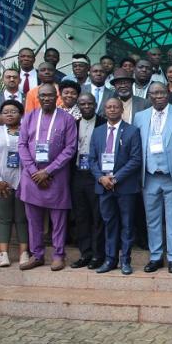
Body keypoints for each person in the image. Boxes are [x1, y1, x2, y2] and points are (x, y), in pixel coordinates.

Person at [17, 84, 78, 271]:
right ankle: (37, 255)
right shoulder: (29, 117)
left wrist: (48, 171)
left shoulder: (67, 119)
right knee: (33, 219)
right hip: (31, 176)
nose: (46, 99)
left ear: (56, 96)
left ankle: (59, 255)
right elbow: (22, 145)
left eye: (50, 95)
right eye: (42, 96)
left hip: (56, 176)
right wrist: (34, 170)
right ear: (38, 97)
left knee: (58, 219)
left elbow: (70, 148)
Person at [134, 83, 172, 274]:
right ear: (149, 96)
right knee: (152, 220)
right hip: (149, 176)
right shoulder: (140, 117)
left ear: (168, 94)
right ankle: (156, 256)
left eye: (162, 93)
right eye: (154, 93)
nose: (158, 96)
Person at [89, 98, 142, 275]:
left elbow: (136, 159)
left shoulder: (132, 131)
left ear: (122, 110)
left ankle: (125, 260)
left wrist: (116, 178)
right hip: (104, 187)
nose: (112, 110)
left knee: (127, 225)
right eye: (109, 107)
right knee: (109, 223)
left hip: (125, 187)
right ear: (104, 110)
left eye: (115, 107)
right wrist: (101, 178)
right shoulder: (97, 132)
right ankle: (110, 259)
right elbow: (92, 160)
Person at [0, 99, 29, 267]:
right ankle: (4, 254)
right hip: (0, 185)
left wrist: (27, 181)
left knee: (22, 219)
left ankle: (24, 253)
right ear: (1, 115)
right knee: (4, 219)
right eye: (6, 111)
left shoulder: (28, 131)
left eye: (13, 111)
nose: (9, 114)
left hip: (24, 184)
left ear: (21, 114)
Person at [70, 93, 106, 270]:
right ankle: (85, 253)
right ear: (78, 105)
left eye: (89, 103)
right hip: (78, 174)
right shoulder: (73, 124)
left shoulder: (103, 123)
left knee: (97, 216)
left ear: (95, 104)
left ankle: (98, 254)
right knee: (81, 216)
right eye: (82, 103)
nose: (86, 106)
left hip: (96, 175)